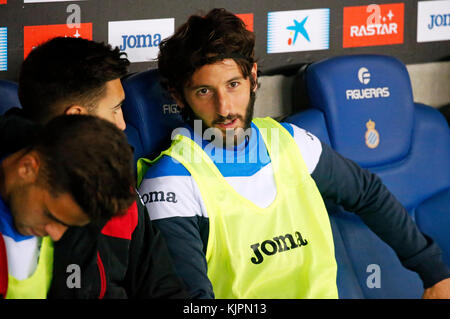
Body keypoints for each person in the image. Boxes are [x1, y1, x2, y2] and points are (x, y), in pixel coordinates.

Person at [137, 8, 450, 298]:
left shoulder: (291, 142)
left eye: (233, 84)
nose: (225, 108)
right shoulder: (171, 183)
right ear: (179, 96)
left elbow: (367, 193)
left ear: (253, 78)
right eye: (204, 91)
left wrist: (434, 274)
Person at [9, 36, 187, 298]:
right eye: (115, 109)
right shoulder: (19, 186)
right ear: (77, 120)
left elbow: (163, 288)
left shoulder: (117, 183)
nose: (123, 124)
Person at [0, 115, 136, 298]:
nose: (57, 234)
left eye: (70, 225)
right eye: (50, 215)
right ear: (27, 168)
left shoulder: (80, 217)